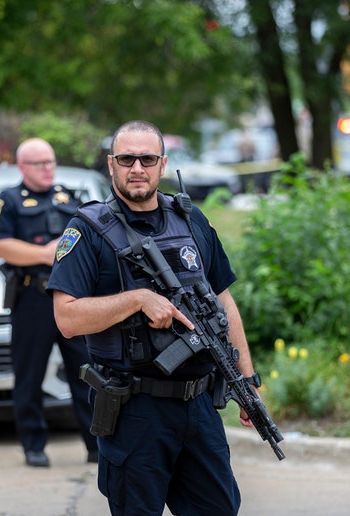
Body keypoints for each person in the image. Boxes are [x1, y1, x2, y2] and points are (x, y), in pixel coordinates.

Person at [46, 120, 259, 515]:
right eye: (127, 159)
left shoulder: (192, 222)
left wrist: (245, 380)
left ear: (162, 164)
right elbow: (67, 318)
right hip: (134, 411)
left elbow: (224, 302)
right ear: (111, 165)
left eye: (147, 159)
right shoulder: (88, 231)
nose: (137, 168)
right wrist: (137, 299)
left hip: (198, 406)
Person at [0, 137, 98, 468]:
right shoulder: (7, 202)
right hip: (32, 298)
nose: (48, 168)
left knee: (87, 373)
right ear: (22, 167)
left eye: (51, 161)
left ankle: (96, 444)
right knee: (29, 376)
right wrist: (45, 255)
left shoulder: (70, 197)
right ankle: (33, 445)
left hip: (72, 297)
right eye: (40, 163)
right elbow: (0, 245)